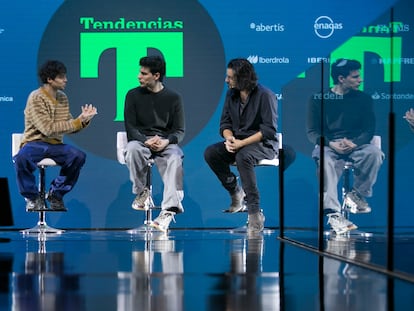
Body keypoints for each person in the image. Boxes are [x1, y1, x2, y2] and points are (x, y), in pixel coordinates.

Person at [204, 58, 295, 233]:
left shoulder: (265, 95)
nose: (226, 80)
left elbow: (269, 130)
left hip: (264, 145)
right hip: (238, 142)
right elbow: (224, 124)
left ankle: (254, 211)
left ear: (243, 78)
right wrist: (229, 139)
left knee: (243, 156)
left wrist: (241, 143)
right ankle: (235, 192)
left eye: (230, 77)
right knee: (211, 153)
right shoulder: (231, 95)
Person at [306, 58, 384, 235]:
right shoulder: (318, 99)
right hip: (329, 145)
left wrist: (355, 143)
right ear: (341, 79)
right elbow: (312, 132)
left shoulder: (364, 99)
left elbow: (369, 129)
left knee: (374, 153)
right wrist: (331, 143)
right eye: (355, 77)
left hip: (356, 144)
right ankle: (333, 214)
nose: (360, 80)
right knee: (324, 160)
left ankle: (356, 195)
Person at [13, 60, 98, 211]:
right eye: (61, 77)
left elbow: (69, 126)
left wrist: (83, 121)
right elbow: (47, 129)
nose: (65, 80)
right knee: (22, 157)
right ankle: (32, 197)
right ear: (49, 79)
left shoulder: (62, 97)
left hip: (55, 145)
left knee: (77, 156)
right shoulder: (36, 97)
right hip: (35, 143)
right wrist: (77, 122)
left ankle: (56, 194)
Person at [123, 55, 185, 233]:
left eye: (143, 73)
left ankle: (168, 210)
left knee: (175, 156)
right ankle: (142, 192)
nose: (138, 76)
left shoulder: (174, 97)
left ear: (156, 76)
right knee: (132, 149)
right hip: (141, 141)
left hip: (165, 143)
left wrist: (166, 141)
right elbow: (130, 128)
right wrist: (145, 140)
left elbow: (179, 131)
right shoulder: (132, 95)